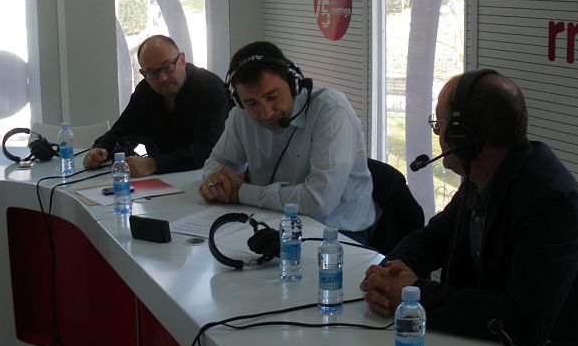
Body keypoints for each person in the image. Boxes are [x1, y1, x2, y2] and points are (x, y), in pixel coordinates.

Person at [360, 69, 578, 346]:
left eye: (441, 124)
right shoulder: (484, 176)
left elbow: (522, 320)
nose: (438, 135)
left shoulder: (551, 202)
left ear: (464, 138)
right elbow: (435, 237)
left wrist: (415, 294)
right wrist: (391, 271)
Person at [198, 41, 376, 238]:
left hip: (336, 235)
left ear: (294, 84)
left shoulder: (332, 111)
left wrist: (241, 193)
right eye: (251, 103)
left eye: (272, 96)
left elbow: (319, 201)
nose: (266, 112)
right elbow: (217, 164)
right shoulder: (241, 115)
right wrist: (215, 183)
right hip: (269, 224)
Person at [83, 35, 229, 177]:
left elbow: (208, 149)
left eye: (167, 67)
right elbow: (122, 128)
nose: (162, 78)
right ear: (143, 73)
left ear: (182, 60)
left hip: (206, 178)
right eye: (152, 73)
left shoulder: (210, 88)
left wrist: (154, 164)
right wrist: (101, 149)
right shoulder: (146, 90)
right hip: (162, 182)